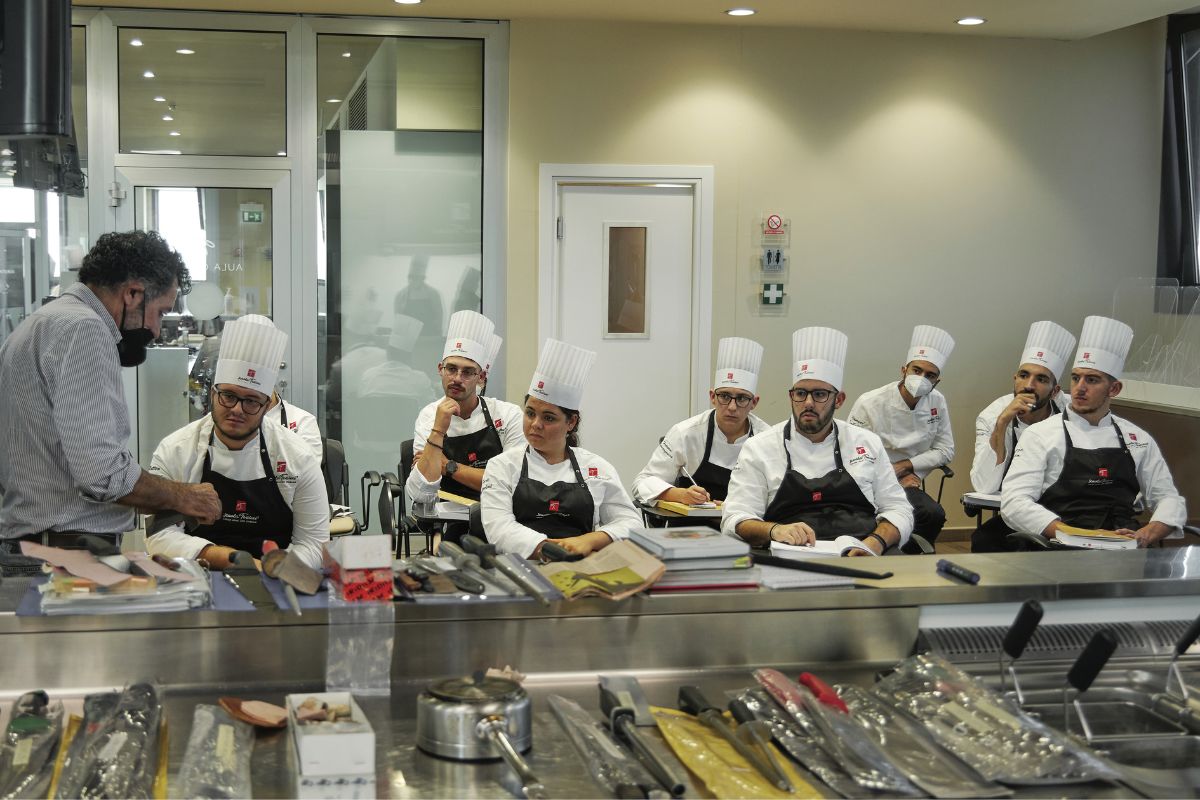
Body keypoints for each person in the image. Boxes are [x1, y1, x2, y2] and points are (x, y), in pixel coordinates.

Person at [0, 231, 220, 548]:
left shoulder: (41, 323)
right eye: (159, 312)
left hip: (33, 542)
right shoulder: (85, 329)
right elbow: (103, 474)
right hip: (65, 551)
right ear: (132, 294)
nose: (157, 331)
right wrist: (183, 496)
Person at [147, 315, 330, 570]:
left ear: (267, 405)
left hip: (276, 582)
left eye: (251, 401)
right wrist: (228, 559)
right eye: (228, 396)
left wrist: (273, 570)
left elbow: (314, 543)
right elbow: (159, 535)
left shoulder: (297, 457)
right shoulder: (176, 450)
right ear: (213, 394)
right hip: (198, 577)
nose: (237, 409)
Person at [723, 327, 913, 555]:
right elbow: (735, 517)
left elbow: (898, 508)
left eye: (820, 394)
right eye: (801, 393)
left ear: (839, 399)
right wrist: (774, 530)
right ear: (791, 397)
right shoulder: (760, 447)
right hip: (790, 556)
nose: (808, 403)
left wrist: (874, 543)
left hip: (863, 553)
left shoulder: (866, 442)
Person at [1001, 316, 1187, 548]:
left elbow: (1169, 497)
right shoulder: (1040, 435)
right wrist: (1073, 534)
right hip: (1059, 546)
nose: (1080, 388)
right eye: (1076, 378)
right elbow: (1015, 502)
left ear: (1114, 389)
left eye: (1092, 380)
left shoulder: (1138, 439)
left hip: (1122, 545)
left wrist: (1148, 532)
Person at [480, 338, 642, 558]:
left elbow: (631, 522)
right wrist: (554, 550)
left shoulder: (596, 468)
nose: (535, 424)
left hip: (584, 567)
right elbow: (499, 529)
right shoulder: (502, 466)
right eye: (529, 413)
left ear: (571, 422)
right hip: (522, 567)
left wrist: (589, 540)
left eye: (548, 417)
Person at [846, 324, 955, 550]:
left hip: (909, 481)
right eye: (917, 370)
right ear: (904, 370)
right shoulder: (870, 402)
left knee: (933, 514)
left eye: (930, 375)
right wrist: (890, 474)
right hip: (868, 482)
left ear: (937, 381)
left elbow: (946, 450)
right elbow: (854, 452)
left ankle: (912, 560)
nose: (922, 378)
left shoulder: (938, 401)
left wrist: (906, 467)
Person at [970, 321, 1075, 552]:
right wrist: (1001, 424)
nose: (1029, 385)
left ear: (1055, 391)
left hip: (1067, 508)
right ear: (1014, 379)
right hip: (1020, 509)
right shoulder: (992, 415)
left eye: (1041, 379)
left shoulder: (1072, 413)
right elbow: (983, 486)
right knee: (985, 540)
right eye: (1024, 375)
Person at [407, 311, 525, 513]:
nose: (457, 378)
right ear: (440, 369)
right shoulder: (429, 417)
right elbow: (420, 494)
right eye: (451, 369)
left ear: (481, 377)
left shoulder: (507, 415)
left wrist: (449, 467)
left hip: (500, 514)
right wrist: (438, 430)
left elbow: (514, 486)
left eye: (468, 372)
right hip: (445, 517)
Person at [632, 337, 769, 507]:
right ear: (712, 397)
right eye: (725, 396)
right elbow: (642, 483)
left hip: (744, 529)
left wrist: (740, 508)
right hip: (689, 528)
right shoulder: (686, 433)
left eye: (742, 398)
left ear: (754, 403)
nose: (732, 407)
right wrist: (679, 494)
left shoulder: (767, 440)